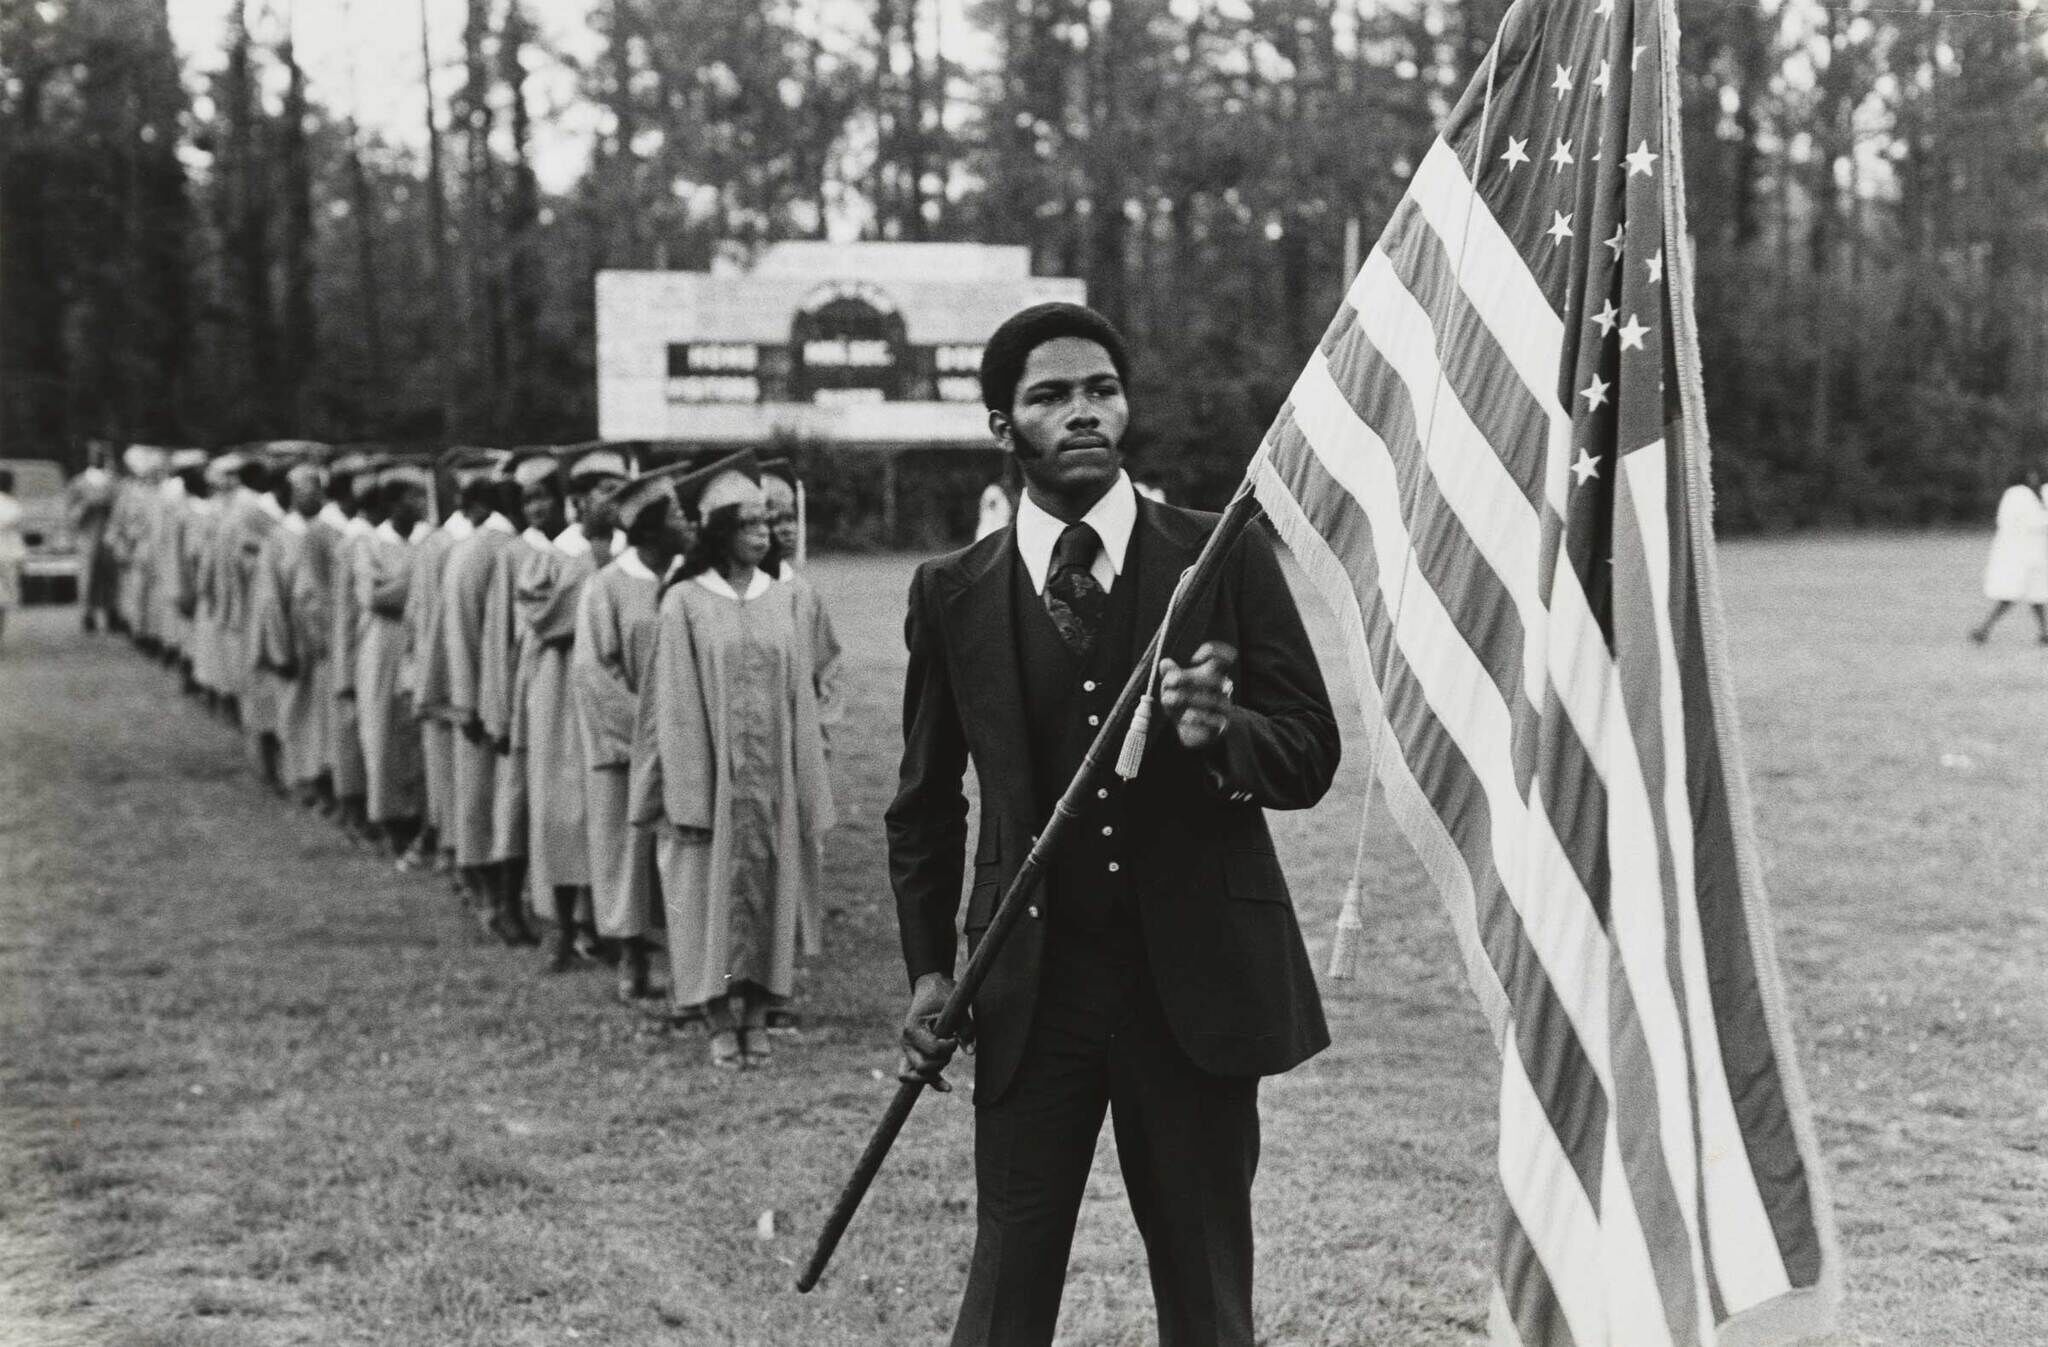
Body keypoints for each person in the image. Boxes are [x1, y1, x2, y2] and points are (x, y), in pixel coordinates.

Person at [888, 302, 1340, 1347]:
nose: (1081, 412)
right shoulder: (949, 594)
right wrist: (925, 971)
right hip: (1025, 991)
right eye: (1049, 397)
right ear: (1003, 426)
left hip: (1194, 989)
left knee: (1206, 1294)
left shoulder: (1217, 553)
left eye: (1099, 390)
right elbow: (921, 804)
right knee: (1004, 1293)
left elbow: (1308, 751)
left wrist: (1221, 729)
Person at [630, 466, 840, 1069]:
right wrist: (689, 795)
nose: (764, 533)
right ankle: (718, 1016)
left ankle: (756, 1010)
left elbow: (800, 694)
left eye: (766, 523)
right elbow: (670, 705)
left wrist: (805, 781)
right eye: (748, 524)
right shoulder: (685, 603)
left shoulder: (783, 599)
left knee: (770, 891)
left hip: (772, 779)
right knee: (706, 896)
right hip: (711, 784)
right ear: (719, 532)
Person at [574, 471, 688, 1006]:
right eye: (675, 516)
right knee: (625, 853)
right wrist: (650, 734)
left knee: (678, 852)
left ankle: (683, 961)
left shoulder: (689, 582)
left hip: (685, 746)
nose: (687, 524)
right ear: (648, 529)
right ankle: (631, 961)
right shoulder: (608, 586)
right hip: (626, 748)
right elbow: (596, 672)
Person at [442, 469, 531, 942]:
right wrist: (479, 706)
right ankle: (501, 906)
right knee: (500, 808)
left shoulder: (471, 547)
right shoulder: (499, 550)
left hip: (476, 695)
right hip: (493, 700)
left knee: (482, 805)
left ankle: (491, 900)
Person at [357, 466, 432, 858]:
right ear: (393, 504)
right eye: (413, 497)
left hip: (419, 647)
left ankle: (423, 822)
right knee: (385, 734)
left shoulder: (429, 542)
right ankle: (392, 825)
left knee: (418, 734)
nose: (422, 505)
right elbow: (375, 597)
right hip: (383, 651)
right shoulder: (369, 544)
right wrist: (422, 579)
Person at [1970, 464, 2048, 645]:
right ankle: (1984, 629)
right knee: (2010, 594)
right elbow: (2031, 522)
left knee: (2037, 596)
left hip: (2034, 553)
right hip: (2017, 553)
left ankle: (2044, 633)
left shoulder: (2037, 494)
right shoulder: (2017, 494)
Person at [0, 470, 22, 651]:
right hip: (7, 553)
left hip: (7, 552)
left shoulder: (12, 503)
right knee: (4, 596)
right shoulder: (12, 504)